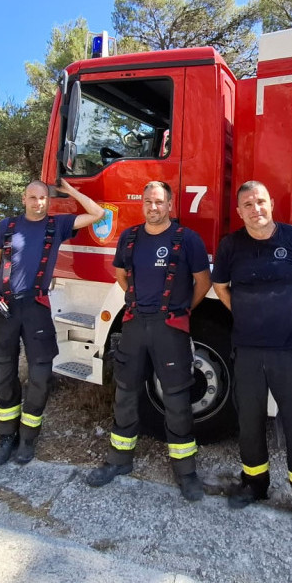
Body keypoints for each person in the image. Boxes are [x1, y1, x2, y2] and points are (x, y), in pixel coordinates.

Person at [211, 180, 292, 536]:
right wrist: (243, 316)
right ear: (239, 211)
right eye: (247, 204)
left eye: (260, 202)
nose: (255, 209)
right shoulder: (231, 246)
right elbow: (220, 287)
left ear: (271, 204)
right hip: (246, 349)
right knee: (248, 421)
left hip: (287, 351)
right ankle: (254, 484)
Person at [87, 180, 212, 501]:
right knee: (125, 394)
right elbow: (120, 274)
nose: (152, 207)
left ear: (170, 205)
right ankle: (119, 460)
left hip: (169, 328)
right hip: (134, 326)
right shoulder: (129, 237)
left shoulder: (188, 240)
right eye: (147, 202)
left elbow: (203, 281)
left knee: (176, 399)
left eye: (158, 202)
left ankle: (186, 472)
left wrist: (182, 310)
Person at [0, 178, 104, 467]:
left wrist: (70, 191)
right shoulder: (6, 227)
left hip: (36, 308)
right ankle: (6, 436)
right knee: (4, 376)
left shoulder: (56, 226)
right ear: (24, 199)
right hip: (3, 308)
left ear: (48, 201)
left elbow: (97, 214)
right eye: (32, 198)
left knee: (41, 374)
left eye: (43, 198)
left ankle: (28, 438)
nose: (38, 203)